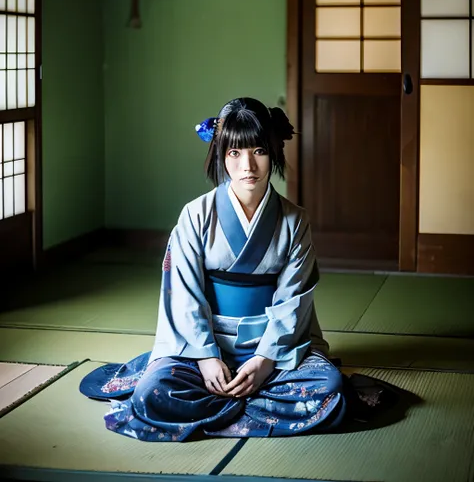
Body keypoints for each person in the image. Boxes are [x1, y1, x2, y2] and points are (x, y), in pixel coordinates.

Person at [79, 97, 393, 442]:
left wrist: (264, 361)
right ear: (221, 155)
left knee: (327, 388)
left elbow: (294, 300)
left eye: (258, 151)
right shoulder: (196, 215)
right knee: (152, 393)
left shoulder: (294, 220)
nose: (248, 166)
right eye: (234, 153)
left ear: (274, 152)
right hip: (203, 342)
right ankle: (251, 403)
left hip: (272, 343)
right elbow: (182, 294)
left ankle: (218, 403)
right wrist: (206, 358)